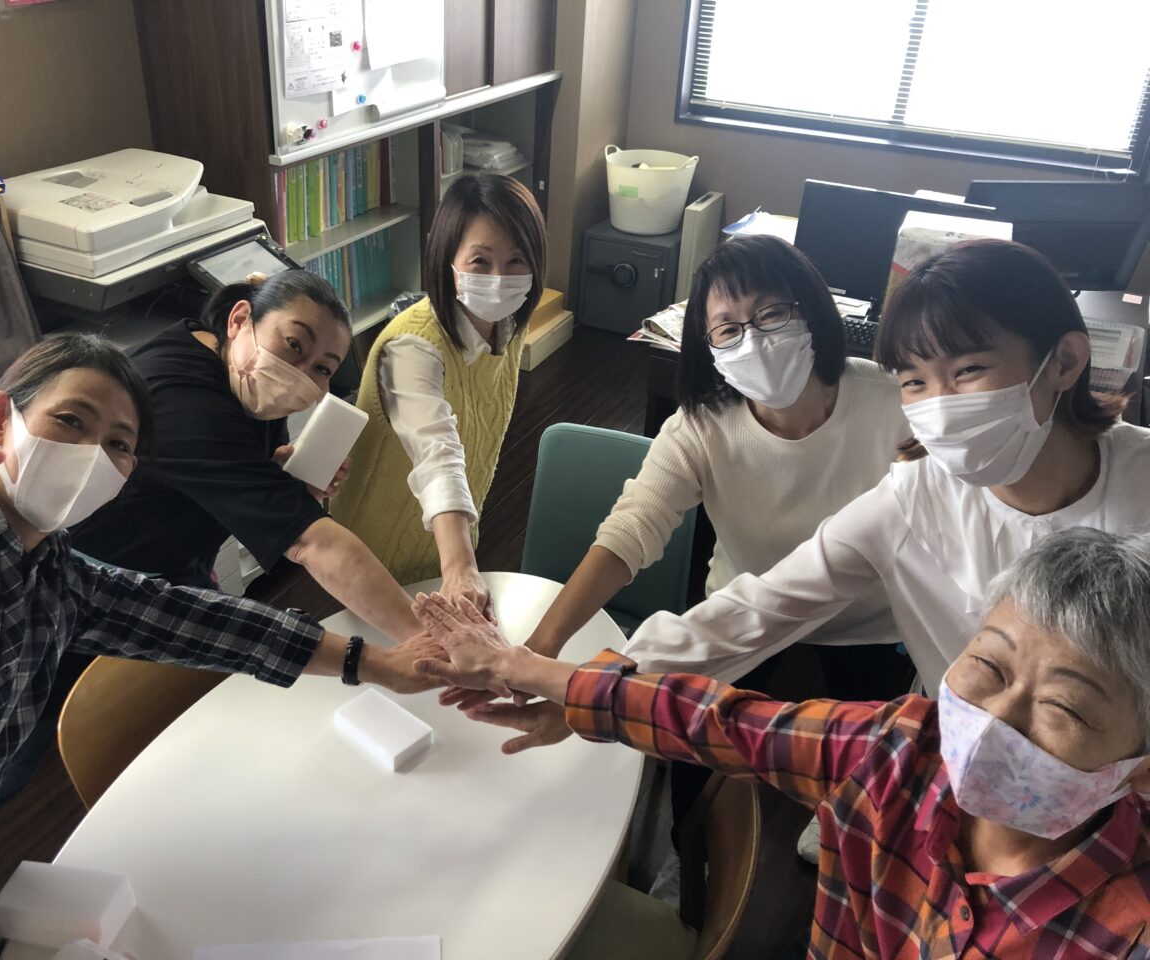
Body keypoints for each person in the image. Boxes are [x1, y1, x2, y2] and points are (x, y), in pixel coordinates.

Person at [0, 336, 440, 958]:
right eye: (70, 421)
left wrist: (375, 662)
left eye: (118, 445)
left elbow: (198, 621)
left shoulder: (57, 576)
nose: (91, 455)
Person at [464, 240, 1150, 755]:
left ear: (1064, 361)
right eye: (916, 381)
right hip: (968, 752)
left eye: (968, 370)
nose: (939, 407)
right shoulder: (912, 496)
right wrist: (580, 688)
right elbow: (757, 608)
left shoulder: (1134, 483)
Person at [411, 526, 1150, 959]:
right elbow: (718, 721)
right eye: (988, 666)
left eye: (1064, 709)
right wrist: (523, 669)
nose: (996, 720)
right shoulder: (898, 752)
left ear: (1139, 771)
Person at [520, 235, 912, 698]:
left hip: (866, 623)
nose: (755, 339)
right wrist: (542, 647)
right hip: (743, 617)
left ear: (810, 310)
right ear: (708, 347)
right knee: (696, 739)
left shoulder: (894, 400)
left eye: (771, 313)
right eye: (727, 329)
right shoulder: (702, 425)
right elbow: (632, 527)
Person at [72, 270, 421, 642]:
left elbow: (223, 468)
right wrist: (430, 639)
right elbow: (311, 542)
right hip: (100, 588)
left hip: (178, 561)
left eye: (322, 368)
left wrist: (275, 476)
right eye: (294, 344)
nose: (297, 374)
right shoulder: (185, 403)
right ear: (239, 319)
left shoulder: (240, 373)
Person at [330, 173, 547, 617]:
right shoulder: (413, 346)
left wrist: (459, 561)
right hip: (373, 554)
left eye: (516, 260)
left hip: (445, 542)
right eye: (480, 261)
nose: (499, 278)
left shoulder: (510, 326)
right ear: (448, 259)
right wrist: (461, 565)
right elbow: (437, 452)